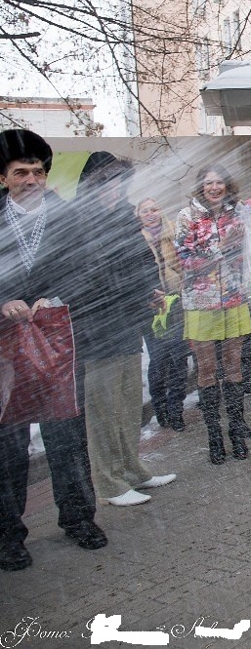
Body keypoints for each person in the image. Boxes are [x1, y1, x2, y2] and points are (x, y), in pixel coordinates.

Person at [0, 129, 107, 570]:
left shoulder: (70, 217)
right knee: (8, 445)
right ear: (4, 178)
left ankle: (79, 519)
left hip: (58, 344)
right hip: (5, 349)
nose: (31, 179)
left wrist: (58, 295)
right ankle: (9, 535)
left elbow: (90, 269)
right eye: (20, 172)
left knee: (66, 435)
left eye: (38, 172)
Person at [72, 153, 177, 507]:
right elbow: (86, 279)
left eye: (118, 183)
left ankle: (132, 469)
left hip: (127, 325)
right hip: (97, 332)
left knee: (128, 404)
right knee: (103, 409)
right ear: (90, 185)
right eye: (105, 183)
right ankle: (109, 484)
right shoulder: (78, 222)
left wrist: (151, 292)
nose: (114, 190)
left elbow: (140, 263)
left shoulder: (122, 217)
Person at [175, 164, 251, 464]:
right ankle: (214, 437)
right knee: (206, 371)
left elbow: (249, 255)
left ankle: (237, 431)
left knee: (235, 367)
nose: (215, 187)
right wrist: (221, 247)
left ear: (228, 186)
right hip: (201, 301)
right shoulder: (187, 217)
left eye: (220, 182)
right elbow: (186, 261)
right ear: (200, 187)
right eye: (209, 183)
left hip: (233, 298)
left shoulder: (238, 213)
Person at [136, 197, 189, 433]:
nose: (151, 214)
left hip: (175, 300)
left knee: (179, 356)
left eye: (154, 209)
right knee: (158, 359)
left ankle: (176, 409)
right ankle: (161, 409)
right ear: (139, 215)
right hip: (150, 306)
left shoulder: (174, 232)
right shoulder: (135, 238)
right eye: (145, 211)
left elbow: (184, 263)